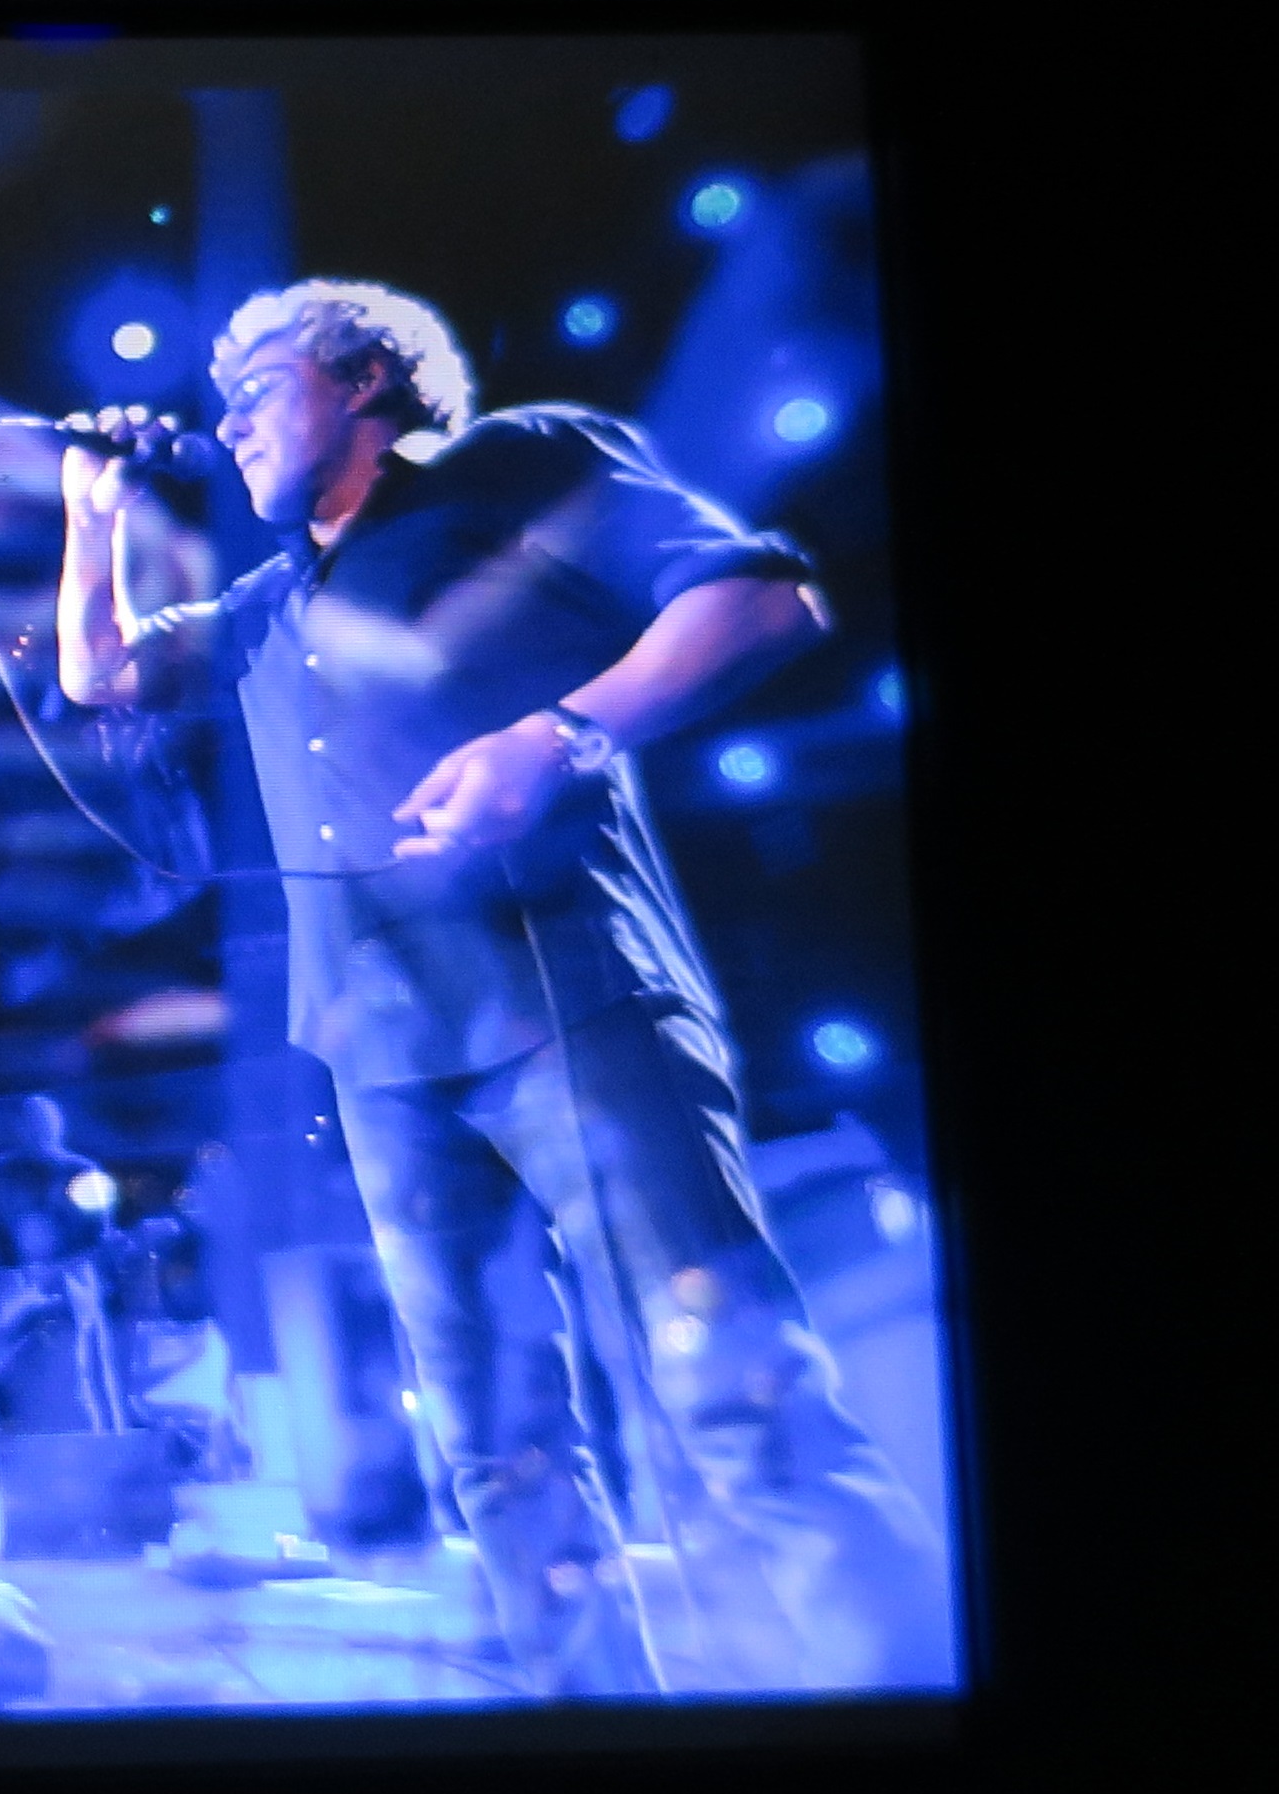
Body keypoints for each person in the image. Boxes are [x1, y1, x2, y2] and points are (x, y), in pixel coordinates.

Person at [53, 279, 948, 1696]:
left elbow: (766, 598)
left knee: (731, 1394)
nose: (226, 422)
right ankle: (593, 1732)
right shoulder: (267, 605)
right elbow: (101, 672)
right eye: (216, 405)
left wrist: (557, 736)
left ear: (361, 376)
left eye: (256, 385)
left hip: (570, 997)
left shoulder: (517, 466)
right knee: (496, 1448)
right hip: (380, 1053)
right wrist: (90, 512)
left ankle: (892, 1711)